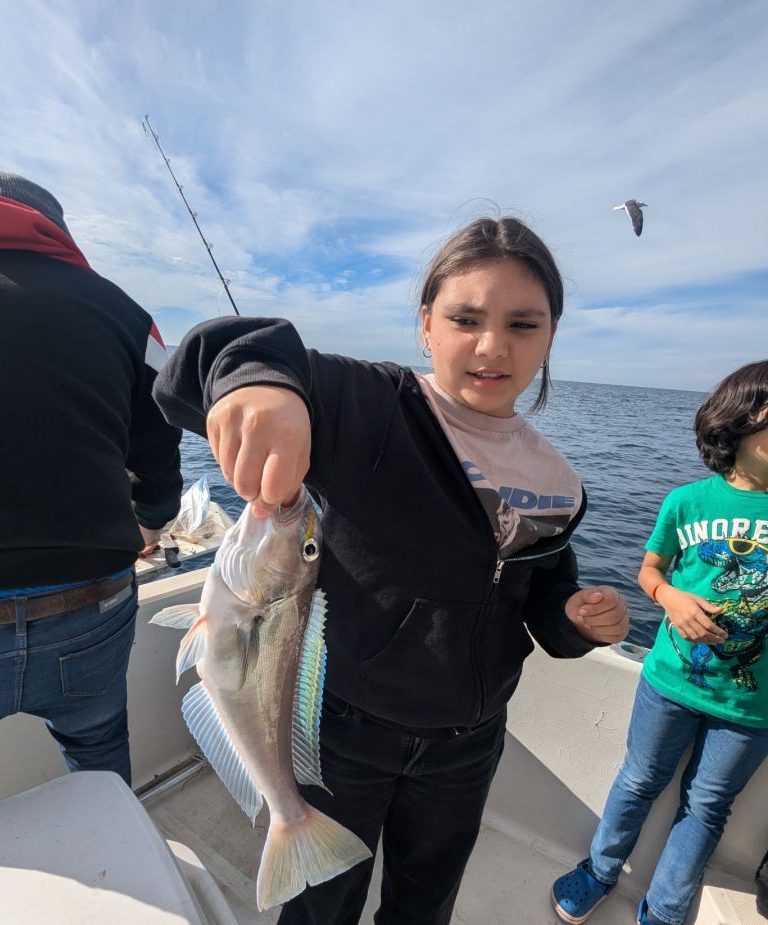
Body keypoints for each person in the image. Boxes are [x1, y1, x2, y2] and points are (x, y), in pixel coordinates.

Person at [154, 216, 629, 925]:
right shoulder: (370, 405)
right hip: (340, 728)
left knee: (425, 902)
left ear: (551, 335)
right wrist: (262, 386)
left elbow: (538, 595)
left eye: (523, 324)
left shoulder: (557, 482)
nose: (492, 345)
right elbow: (213, 355)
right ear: (427, 324)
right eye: (465, 318)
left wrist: (573, 619)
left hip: (468, 744)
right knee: (322, 905)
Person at [0, 171, 183, 785]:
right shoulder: (127, 315)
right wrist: (149, 524)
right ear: (57, 231)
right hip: (89, 607)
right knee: (100, 762)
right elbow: (161, 448)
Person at [551, 360, 768, 925]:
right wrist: (671, 598)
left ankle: (667, 909)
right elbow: (650, 571)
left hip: (753, 704)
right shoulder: (687, 501)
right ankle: (600, 870)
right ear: (738, 423)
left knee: (708, 805)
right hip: (670, 681)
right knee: (638, 780)